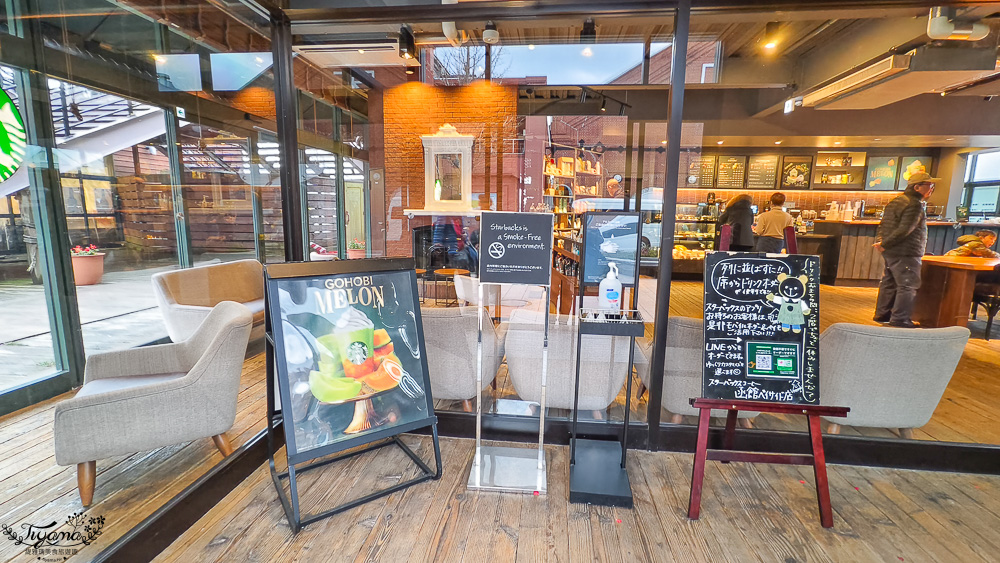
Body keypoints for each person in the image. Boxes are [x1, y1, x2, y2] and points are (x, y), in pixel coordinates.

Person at [873, 171, 940, 328]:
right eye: (929, 186)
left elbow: (883, 225)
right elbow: (906, 229)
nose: (931, 189)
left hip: (891, 251)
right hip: (906, 251)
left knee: (889, 282)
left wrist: (882, 242)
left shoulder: (896, 201)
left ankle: (882, 314)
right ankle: (900, 318)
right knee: (908, 284)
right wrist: (885, 243)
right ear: (917, 187)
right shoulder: (914, 204)